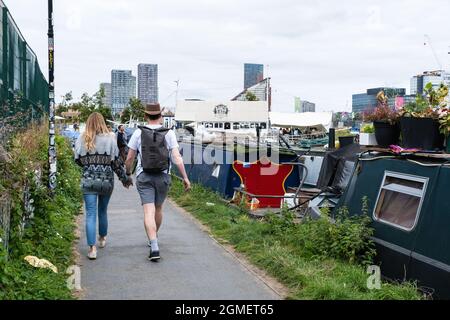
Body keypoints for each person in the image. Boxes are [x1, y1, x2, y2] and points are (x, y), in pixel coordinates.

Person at [125, 103, 191, 262]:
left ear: (146, 116)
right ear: (160, 116)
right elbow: (176, 158)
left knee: (148, 211)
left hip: (144, 175)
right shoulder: (169, 133)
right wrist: (185, 177)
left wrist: (127, 173)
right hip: (163, 176)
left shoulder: (138, 132)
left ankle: (154, 245)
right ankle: (153, 237)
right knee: (158, 208)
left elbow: (129, 158)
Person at [74, 112, 133, 260]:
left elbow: (77, 160)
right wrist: (125, 179)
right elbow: (116, 163)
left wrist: (89, 165)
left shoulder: (81, 139)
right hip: (106, 182)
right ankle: (102, 238)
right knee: (102, 211)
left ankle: (92, 249)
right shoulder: (110, 139)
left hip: (88, 182)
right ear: (101, 123)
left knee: (90, 214)